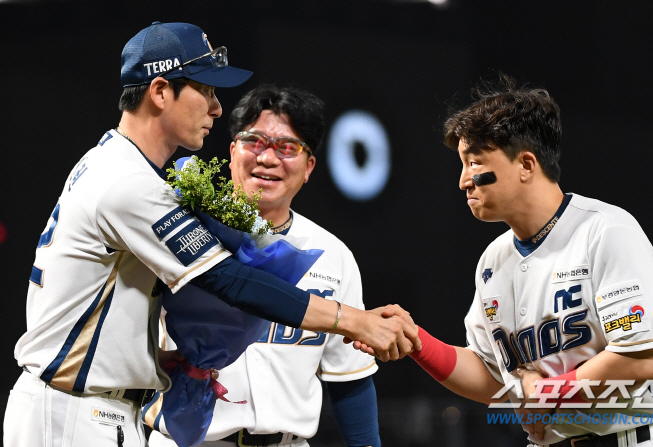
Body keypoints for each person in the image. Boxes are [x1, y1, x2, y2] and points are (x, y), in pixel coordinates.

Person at [4, 22, 417, 447]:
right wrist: (354, 320)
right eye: (206, 90)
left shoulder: (116, 164)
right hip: (74, 411)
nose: (216, 108)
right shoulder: (128, 183)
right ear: (161, 91)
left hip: (85, 404)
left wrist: (167, 360)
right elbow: (228, 280)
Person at [379, 76, 653, 446]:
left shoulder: (605, 230)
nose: (464, 180)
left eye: (475, 162)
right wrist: (419, 343)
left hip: (639, 437)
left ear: (526, 164)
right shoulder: (493, 261)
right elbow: (494, 377)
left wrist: (544, 394)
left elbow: (641, 358)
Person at [147, 85, 381, 447]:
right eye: (254, 141)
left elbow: (349, 379)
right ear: (231, 151)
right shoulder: (180, 231)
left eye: (287, 147)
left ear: (309, 167)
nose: (268, 158)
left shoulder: (331, 254)